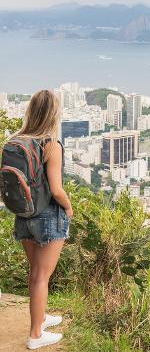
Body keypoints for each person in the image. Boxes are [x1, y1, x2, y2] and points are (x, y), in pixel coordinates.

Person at [11, 90, 73, 350]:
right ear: (53, 114)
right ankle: (36, 335)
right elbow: (56, 189)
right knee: (41, 276)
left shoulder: (15, 141)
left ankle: (41, 318)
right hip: (47, 216)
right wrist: (68, 208)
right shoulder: (51, 144)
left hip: (23, 215)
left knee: (35, 274)